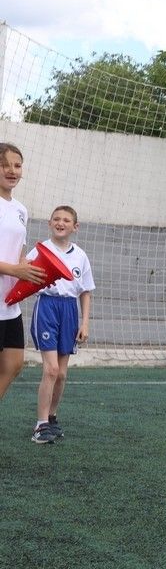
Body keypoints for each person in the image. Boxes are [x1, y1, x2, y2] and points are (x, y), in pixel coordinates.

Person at [28, 206, 95, 444]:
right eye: (56, 219)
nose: (61, 222)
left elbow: (85, 291)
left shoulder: (80, 256)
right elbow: (24, 276)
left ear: (75, 227)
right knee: (51, 369)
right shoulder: (40, 251)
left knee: (62, 374)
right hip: (47, 307)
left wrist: (84, 323)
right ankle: (40, 425)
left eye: (66, 220)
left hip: (69, 311)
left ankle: (52, 418)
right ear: (49, 223)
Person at [0, 143, 46, 405]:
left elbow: (19, 253)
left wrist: (27, 274)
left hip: (8, 304)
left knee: (14, 364)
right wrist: (15, 269)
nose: (12, 170)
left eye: (17, 165)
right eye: (5, 164)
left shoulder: (21, 210)